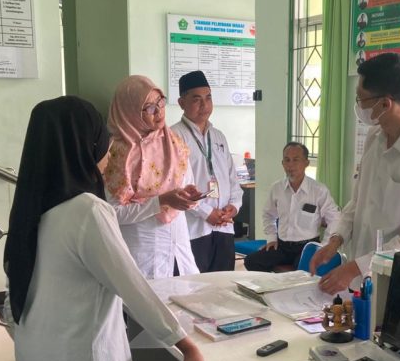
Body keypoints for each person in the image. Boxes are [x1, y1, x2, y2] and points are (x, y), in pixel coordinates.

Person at [4, 96, 204, 361]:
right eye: (102, 142)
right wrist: (185, 344)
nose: (109, 152)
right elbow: (133, 288)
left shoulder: (31, 207)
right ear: (82, 146)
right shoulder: (86, 211)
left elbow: (14, 300)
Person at [311, 53, 400, 294]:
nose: (358, 106)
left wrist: (356, 267)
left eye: (361, 99)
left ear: (385, 104)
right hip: (358, 277)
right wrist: (336, 239)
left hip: (395, 280)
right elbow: (358, 201)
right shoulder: (375, 136)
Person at [105, 75, 202, 278]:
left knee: (187, 294)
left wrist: (189, 195)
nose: (159, 112)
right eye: (149, 108)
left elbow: (186, 185)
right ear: (129, 110)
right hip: (142, 252)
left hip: (179, 249)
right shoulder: (117, 153)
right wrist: (160, 201)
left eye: (161, 102)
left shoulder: (174, 143)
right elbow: (112, 213)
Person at [172, 70, 243, 272]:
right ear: (181, 103)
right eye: (197, 99)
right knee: (195, 286)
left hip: (224, 226)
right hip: (193, 230)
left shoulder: (218, 136)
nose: (204, 105)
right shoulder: (174, 136)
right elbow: (175, 186)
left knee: (223, 284)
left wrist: (234, 206)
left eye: (208, 98)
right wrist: (206, 212)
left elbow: (232, 179)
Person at [244, 142, 340, 272]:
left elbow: (334, 218)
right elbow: (268, 214)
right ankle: (272, 285)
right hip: (282, 246)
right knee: (251, 261)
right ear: (282, 163)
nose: (291, 165)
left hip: (307, 247)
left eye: (296, 160)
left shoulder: (318, 190)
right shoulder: (277, 188)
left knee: (301, 270)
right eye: (287, 160)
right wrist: (272, 237)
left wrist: (324, 246)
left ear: (306, 163)